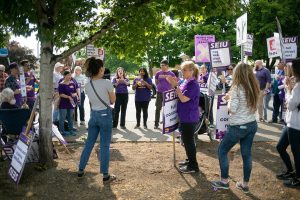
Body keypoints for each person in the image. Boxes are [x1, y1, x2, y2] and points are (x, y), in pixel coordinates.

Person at [211, 63, 260, 193]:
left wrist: (228, 99)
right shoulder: (254, 86)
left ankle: (224, 181)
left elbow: (232, 110)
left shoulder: (238, 87)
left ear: (238, 73)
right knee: (246, 154)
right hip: (251, 124)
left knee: (222, 150)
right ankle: (245, 184)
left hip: (238, 126)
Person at [78, 57, 116, 183]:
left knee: (89, 143)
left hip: (93, 115)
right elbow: (113, 100)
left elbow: (91, 100)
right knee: (104, 145)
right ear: (100, 69)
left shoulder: (88, 85)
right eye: (103, 66)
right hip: (105, 115)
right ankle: (105, 174)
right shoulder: (106, 83)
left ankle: (80, 169)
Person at [166, 61, 200, 173]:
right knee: (186, 141)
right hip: (184, 115)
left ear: (192, 71)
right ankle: (190, 160)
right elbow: (178, 93)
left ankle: (193, 166)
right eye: (181, 69)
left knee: (188, 141)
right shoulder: (186, 82)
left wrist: (175, 86)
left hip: (189, 117)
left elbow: (184, 98)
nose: (182, 72)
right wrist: (173, 84)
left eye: (184, 70)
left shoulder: (193, 84)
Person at [276, 59, 300, 188]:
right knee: (280, 147)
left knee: (297, 152)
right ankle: (291, 171)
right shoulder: (296, 84)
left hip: (296, 125)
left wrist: (288, 89)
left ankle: (298, 178)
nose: (288, 70)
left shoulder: (298, 86)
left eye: (290, 68)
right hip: (290, 123)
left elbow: (290, 105)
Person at [154, 59, 175, 129]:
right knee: (158, 108)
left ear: (167, 66)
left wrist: (170, 89)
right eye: (161, 65)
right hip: (159, 93)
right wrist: (159, 87)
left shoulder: (171, 74)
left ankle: (166, 124)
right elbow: (156, 81)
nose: (161, 66)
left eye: (163, 65)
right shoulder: (158, 73)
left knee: (167, 109)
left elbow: (174, 82)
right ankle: (156, 124)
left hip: (167, 94)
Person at [58, 71, 78, 136]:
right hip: (63, 103)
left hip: (71, 103)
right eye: (68, 75)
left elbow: (75, 92)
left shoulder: (72, 83)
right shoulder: (61, 84)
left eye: (70, 75)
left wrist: (74, 95)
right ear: (64, 76)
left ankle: (71, 131)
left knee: (70, 117)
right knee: (62, 118)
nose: (69, 77)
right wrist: (68, 97)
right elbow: (60, 94)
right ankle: (62, 131)